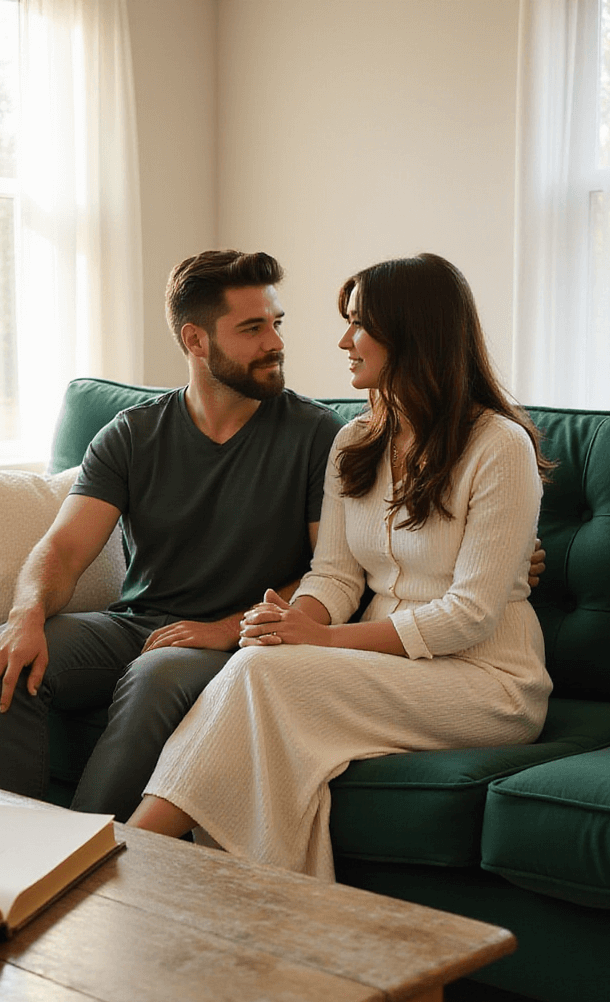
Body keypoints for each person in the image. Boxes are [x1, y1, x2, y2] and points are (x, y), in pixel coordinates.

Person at [129, 253, 553, 880]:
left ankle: (129, 853)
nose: (343, 341)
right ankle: (215, 889)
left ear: (412, 333)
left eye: (359, 324)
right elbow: (335, 575)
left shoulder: (498, 446)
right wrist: (289, 621)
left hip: (488, 681)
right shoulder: (354, 442)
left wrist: (321, 639)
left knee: (265, 676)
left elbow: (470, 616)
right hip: (383, 664)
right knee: (261, 662)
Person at [0, 250, 346, 816]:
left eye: (276, 323)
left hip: (245, 642)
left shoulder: (316, 434)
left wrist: (224, 628)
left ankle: (82, 858)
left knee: (156, 675)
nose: (275, 342)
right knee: (2, 656)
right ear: (196, 341)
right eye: (252, 328)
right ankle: (12, 851)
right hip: (140, 623)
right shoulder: (132, 434)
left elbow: (330, 572)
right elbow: (64, 549)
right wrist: (25, 618)